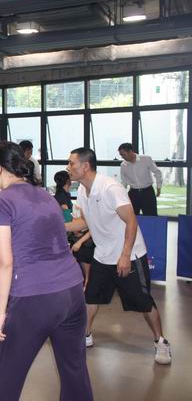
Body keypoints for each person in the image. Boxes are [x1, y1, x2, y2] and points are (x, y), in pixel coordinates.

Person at [0, 141, 91, 401]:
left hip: (34, 298)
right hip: (72, 292)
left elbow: (4, 261)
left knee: (5, 377)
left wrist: (0, 312)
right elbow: (45, 242)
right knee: (74, 371)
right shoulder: (45, 195)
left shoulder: (1, 201)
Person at [66, 147, 171, 364]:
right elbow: (84, 222)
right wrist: (56, 225)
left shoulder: (110, 188)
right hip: (102, 255)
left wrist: (125, 255)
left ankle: (161, 341)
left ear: (85, 166)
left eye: (71, 163)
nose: (68, 168)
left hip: (129, 255)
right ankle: (85, 335)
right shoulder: (83, 191)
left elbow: (131, 221)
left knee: (143, 302)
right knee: (91, 297)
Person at [54, 170, 94, 285]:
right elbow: (67, 219)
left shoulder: (63, 195)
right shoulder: (62, 198)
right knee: (86, 246)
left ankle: (86, 279)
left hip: (71, 229)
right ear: (68, 181)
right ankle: (87, 280)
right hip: (68, 231)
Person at [117, 143, 162, 216]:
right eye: (121, 155)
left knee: (151, 216)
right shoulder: (123, 165)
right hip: (133, 193)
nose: (122, 157)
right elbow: (124, 181)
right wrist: (120, 193)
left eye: (123, 154)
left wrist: (158, 187)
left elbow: (157, 172)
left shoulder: (146, 159)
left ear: (130, 151)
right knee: (131, 216)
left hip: (147, 192)